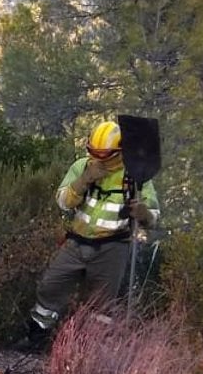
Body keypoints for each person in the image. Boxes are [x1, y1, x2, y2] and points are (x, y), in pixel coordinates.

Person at [29, 119, 160, 333]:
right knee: (50, 285)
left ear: (119, 152)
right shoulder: (82, 166)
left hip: (113, 247)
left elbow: (154, 217)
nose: (96, 158)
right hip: (77, 243)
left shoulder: (136, 175)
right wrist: (85, 180)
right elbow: (63, 202)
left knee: (102, 305)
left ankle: (87, 348)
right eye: (93, 152)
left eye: (103, 155)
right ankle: (37, 333)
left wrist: (143, 213)